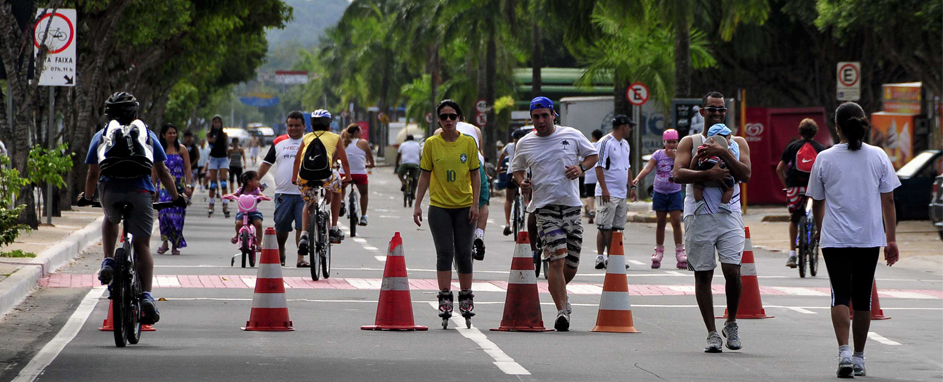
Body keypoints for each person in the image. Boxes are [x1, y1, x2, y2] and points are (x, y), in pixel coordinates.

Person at [807, 102, 900, 378]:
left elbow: (817, 201)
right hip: (869, 238)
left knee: (839, 294)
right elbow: (889, 200)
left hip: (835, 239)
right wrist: (891, 240)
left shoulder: (824, 158)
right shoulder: (878, 156)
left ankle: (844, 352)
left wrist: (823, 232)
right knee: (862, 298)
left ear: (836, 127)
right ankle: (859, 358)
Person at [80, 92, 186, 326]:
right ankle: (147, 295)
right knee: (142, 244)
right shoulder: (147, 134)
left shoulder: (101, 135)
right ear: (135, 113)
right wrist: (177, 197)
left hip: (110, 190)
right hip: (140, 193)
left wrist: (87, 197)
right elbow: (162, 171)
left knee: (110, 217)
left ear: (108, 114)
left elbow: (93, 173)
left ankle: (108, 260)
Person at [672, 91, 752, 353]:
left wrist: (724, 153)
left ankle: (731, 322)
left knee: (732, 271)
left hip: (729, 214)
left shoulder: (737, 142)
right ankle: (712, 332)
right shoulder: (690, 141)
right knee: (703, 274)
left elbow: (746, 175)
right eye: (712, 109)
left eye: (721, 109)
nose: (717, 113)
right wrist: (706, 173)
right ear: (702, 112)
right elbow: (678, 174)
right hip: (699, 215)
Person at [510, 96, 598, 331]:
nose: (540, 121)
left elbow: (593, 155)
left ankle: (560, 292)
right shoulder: (525, 143)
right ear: (531, 119)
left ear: (553, 115)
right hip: (545, 209)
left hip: (571, 207)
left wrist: (581, 168)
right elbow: (516, 170)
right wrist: (523, 183)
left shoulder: (571, 135)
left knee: (571, 264)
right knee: (556, 259)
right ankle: (562, 312)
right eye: (536, 117)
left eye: (544, 116)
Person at [413, 99, 481, 325]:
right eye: (444, 117)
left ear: (459, 118)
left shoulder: (469, 143)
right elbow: (424, 175)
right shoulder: (431, 144)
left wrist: (475, 205)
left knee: (464, 253)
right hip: (440, 207)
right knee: (444, 254)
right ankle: (445, 297)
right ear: (438, 120)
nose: (449, 120)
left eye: (453, 116)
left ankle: (466, 296)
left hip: (464, 206)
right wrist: (417, 204)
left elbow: (475, 174)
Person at [293, 109, 352, 266]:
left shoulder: (306, 137)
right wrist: (349, 177)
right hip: (326, 176)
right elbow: (344, 162)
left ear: (311, 126)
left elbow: (297, 160)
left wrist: (294, 179)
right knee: (337, 190)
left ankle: (304, 234)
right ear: (329, 126)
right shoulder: (335, 137)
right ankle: (333, 227)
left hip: (304, 177)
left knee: (309, 203)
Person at [258, 111, 308, 266]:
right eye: (290, 125)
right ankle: (281, 251)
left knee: (302, 227)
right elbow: (267, 163)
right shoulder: (278, 142)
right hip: (283, 193)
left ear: (303, 126)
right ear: (286, 126)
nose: (293, 128)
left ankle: (300, 258)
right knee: (281, 228)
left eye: (297, 125)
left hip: (304, 193)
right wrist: (254, 181)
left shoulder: (310, 142)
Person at [437, 119, 490, 260]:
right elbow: (480, 154)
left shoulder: (439, 132)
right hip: (477, 166)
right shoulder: (475, 129)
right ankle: (479, 234)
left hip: (454, 166)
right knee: (482, 202)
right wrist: (485, 173)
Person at [633, 129, 686, 269]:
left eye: (674, 142)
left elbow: (684, 167)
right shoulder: (658, 154)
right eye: (669, 142)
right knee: (661, 222)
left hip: (674, 193)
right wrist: (638, 178)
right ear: (664, 142)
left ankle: (680, 251)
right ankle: (659, 250)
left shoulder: (680, 155)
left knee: (675, 221)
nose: (671, 145)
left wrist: (675, 157)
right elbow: (648, 168)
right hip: (660, 192)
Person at [777, 118, 826, 268]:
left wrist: (787, 185)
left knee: (794, 218)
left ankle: (792, 254)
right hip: (814, 187)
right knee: (818, 209)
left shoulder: (792, 147)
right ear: (815, 132)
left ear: (800, 131)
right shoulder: (821, 148)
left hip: (795, 187)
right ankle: (818, 235)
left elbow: (779, 168)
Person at [592, 115, 637, 270]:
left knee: (617, 227)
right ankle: (603, 256)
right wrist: (604, 189)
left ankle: (613, 257)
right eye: (630, 126)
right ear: (622, 126)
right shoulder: (605, 142)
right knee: (604, 226)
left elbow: (627, 167)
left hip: (621, 192)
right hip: (608, 191)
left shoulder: (625, 144)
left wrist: (632, 187)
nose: (631, 129)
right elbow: (599, 167)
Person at [153, 123, 194, 256]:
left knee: (178, 215)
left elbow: (188, 168)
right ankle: (165, 242)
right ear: (164, 135)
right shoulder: (159, 150)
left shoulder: (182, 149)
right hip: (163, 187)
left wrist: (188, 185)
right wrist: (152, 186)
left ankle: (175, 244)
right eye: (169, 133)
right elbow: (155, 169)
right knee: (163, 214)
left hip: (179, 187)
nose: (172, 135)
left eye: (174, 133)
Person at [690, 124, 740, 214]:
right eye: (728, 139)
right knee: (730, 188)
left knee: (697, 186)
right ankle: (725, 203)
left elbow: (695, 159)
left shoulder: (703, 147)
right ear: (721, 139)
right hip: (721, 169)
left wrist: (694, 168)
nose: (730, 142)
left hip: (703, 167)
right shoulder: (727, 149)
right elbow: (735, 162)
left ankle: (698, 202)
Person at [339, 124, 374, 226]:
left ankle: (341, 200)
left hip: (344, 174)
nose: (361, 133)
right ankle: (363, 217)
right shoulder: (363, 143)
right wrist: (370, 165)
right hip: (360, 174)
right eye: (360, 131)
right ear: (356, 133)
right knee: (364, 194)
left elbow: (335, 157)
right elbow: (371, 159)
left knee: (341, 187)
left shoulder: (342, 143)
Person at [229, 171, 265, 248]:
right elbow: (235, 194)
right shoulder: (241, 190)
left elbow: (260, 194)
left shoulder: (256, 190)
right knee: (239, 223)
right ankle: (237, 234)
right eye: (256, 180)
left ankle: (259, 243)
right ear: (249, 182)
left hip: (254, 212)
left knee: (258, 224)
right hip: (242, 212)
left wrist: (263, 196)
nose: (258, 182)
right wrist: (229, 196)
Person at [500, 128, 526, 236]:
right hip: (524, 172)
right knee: (527, 191)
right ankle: (526, 205)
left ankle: (507, 223)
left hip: (512, 172)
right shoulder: (527, 145)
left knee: (509, 199)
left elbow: (502, 155)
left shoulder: (510, 146)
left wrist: (499, 168)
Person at [206, 115, 230, 217]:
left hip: (223, 158)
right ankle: (211, 204)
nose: (217, 124)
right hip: (214, 158)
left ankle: (225, 204)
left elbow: (225, 146)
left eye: (218, 122)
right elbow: (211, 145)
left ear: (221, 124)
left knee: (223, 182)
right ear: (213, 124)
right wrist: (212, 139)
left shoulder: (224, 135)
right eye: (215, 122)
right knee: (213, 184)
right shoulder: (209, 134)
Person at [582, 129, 603, 224]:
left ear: (593, 137)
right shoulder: (603, 146)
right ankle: (600, 212)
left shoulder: (589, 146)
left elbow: (581, 159)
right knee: (600, 195)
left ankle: (591, 210)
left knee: (590, 195)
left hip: (589, 176)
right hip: (600, 176)